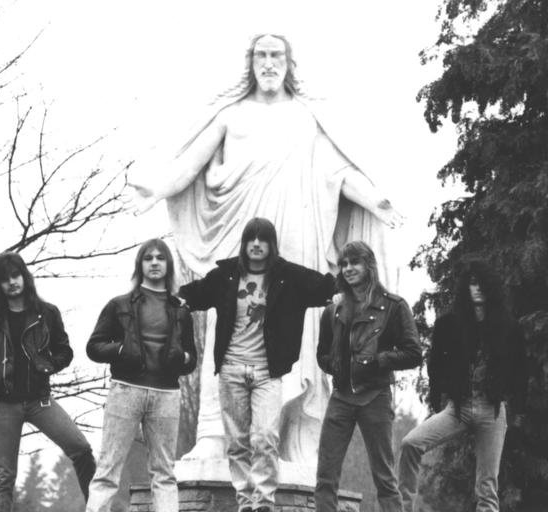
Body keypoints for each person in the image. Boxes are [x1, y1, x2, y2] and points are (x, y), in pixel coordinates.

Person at [131, 33, 403, 467]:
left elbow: (337, 173)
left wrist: (375, 201)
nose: (269, 62)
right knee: (230, 325)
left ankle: (295, 438)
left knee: (299, 331)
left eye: (277, 55)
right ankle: (215, 435)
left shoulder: (307, 118)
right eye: (262, 54)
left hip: (297, 238)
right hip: (244, 240)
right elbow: (190, 164)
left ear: (289, 63)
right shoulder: (231, 116)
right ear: (251, 62)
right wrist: (156, 188)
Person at [178, 217, 335, 512]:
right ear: (244, 244)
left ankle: (263, 501)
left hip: (266, 371)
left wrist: (347, 289)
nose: (257, 244)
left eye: (263, 239)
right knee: (237, 441)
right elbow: (193, 294)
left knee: (265, 436)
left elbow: (324, 287)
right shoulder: (226, 276)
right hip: (231, 368)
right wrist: (173, 299)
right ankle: (245, 501)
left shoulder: (287, 276)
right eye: (251, 239)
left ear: (271, 244)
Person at [0, 251, 96, 512]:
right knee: (4, 476)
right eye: (5, 279)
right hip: (4, 404)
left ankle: (98, 507)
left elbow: (65, 351)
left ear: (24, 276)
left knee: (81, 449)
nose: (12, 282)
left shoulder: (47, 313)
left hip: (40, 401)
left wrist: (49, 364)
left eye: (16, 275)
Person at [398, 259, 528, 512]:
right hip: (459, 408)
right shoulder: (450, 324)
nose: (477, 288)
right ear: (465, 287)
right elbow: (435, 362)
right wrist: (437, 395)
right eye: (472, 283)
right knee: (410, 443)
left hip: (491, 410)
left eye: (482, 283)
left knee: (487, 487)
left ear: (491, 287)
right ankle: (401, 508)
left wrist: (518, 409)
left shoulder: (508, 327)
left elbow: (520, 370)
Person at [85, 238, 197, 512]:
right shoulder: (119, 305)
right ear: (140, 265)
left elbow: (191, 358)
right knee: (108, 469)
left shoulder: (181, 310)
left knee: (164, 473)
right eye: (149, 258)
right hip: (126, 390)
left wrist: (182, 358)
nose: (155, 262)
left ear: (168, 265)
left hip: (166, 395)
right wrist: (121, 349)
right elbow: (94, 347)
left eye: (160, 258)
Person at [315, 241, 421, 512]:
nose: (348, 268)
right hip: (341, 397)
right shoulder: (333, 310)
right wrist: (336, 366)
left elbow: (413, 353)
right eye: (344, 264)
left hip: (376, 396)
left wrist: (378, 361)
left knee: (384, 477)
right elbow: (322, 354)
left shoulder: (394, 306)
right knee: (325, 476)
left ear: (369, 265)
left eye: (355, 262)